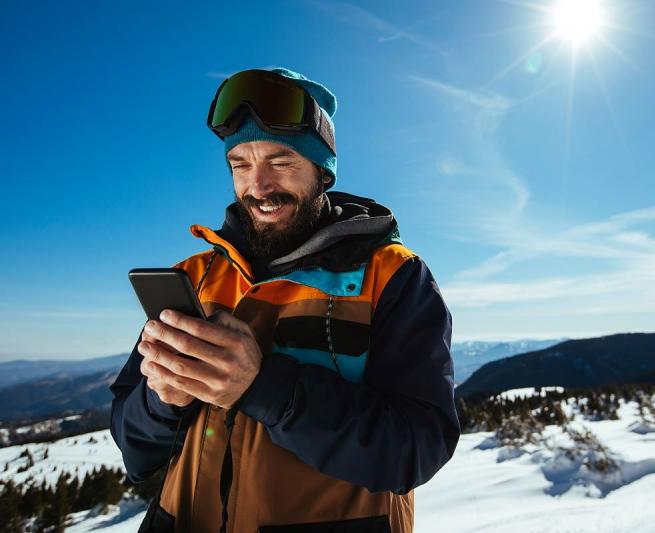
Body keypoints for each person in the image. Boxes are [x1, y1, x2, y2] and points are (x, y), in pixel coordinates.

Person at [109, 67, 460, 533]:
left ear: (321, 170)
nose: (258, 186)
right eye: (240, 164)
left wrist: (261, 387)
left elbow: (417, 450)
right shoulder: (192, 276)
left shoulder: (392, 275)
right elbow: (134, 448)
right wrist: (162, 400)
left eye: (280, 161)